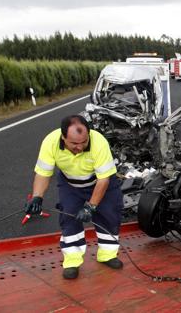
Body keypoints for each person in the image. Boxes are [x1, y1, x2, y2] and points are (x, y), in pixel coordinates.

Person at [24, 115, 124, 279]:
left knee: (109, 214)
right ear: (63, 138)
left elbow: (103, 179)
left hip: (99, 182)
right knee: (69, 217)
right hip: (70, 183)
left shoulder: (99, 142)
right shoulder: (51, 142)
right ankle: (72, 261)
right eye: (74, 144)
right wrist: (37, 197)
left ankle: (107, 254)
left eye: (84, 142)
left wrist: (91, 206)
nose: (80, 147)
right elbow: (43, 173)